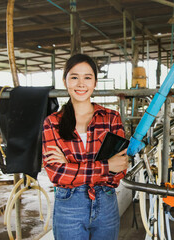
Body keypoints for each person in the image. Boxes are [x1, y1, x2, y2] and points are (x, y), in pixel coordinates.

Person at [42, 53, 129, 240]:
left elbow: (120, 171)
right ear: (65, 81)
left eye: (87, 77)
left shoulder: (111, 118)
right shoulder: (52, 122)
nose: (81, 84)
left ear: (95, 82)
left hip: (106, 202)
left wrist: (71, 167)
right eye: (74, 77)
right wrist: (106, 166)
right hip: (69, 206)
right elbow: (56, 174)